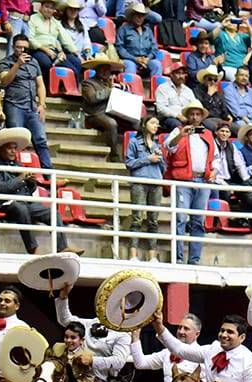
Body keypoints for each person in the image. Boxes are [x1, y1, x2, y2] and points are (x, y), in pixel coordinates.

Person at [0, 127, 83, 254]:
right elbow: (1, 189)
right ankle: (33, 248)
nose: (13, 151)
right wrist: (21, 178)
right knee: (20, 208)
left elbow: (30, 190)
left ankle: (62, 247)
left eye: (15, 148)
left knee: (52, 212)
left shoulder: (18, 165)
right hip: (4, 203)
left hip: (25, 202)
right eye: (9, 148)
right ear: (1, 149)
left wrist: (31, 182)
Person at [165, 100, 215, 265]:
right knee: (180, 218)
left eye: (197, 114)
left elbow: (215, 158)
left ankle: (194, 260)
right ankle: (178, 259)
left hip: (203, 180)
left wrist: (213, 171)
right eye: (192, 114)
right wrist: (182, 135)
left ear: (201, 117)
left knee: (198, 221)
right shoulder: (177, 131)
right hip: (183, 180)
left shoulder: (207, 134)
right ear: (187, 116)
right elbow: (168, 147)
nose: (194, 117)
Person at [55, 282, 131, 382]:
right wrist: (63, 297)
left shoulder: (123, 334)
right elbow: (65, 320)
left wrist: (92, 360)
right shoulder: (89, 323)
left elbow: (118, 361)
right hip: (77, 376)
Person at [0, 34, 52, 168]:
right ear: (13, 47)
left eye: (24, 48)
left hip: (32, 106)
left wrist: (42, 104)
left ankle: (49, 175)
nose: (22, 50)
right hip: (14, 105)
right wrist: (17, 65)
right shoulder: (5, 62)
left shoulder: (34, 62)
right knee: (14, 141)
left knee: (41, 140)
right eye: (18, 47)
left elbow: (40, 85)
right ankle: (14, 170)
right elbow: (4, 81)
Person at [126, 114, 166, 259]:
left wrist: (160, 158)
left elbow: (163, 168)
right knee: (137, 218)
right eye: (153, 123)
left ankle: (152, 256)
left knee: (153, 220)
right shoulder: (134, 143)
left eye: (157, 124)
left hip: (156, 182)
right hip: (139, 182)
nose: (156, 126)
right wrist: (148, 159)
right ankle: (133, 254)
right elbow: (129, 163)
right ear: (144, 125)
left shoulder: (157, 146)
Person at [129, 312, 201, 382]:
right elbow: (140, 363)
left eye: (186, 329)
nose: (181, 332)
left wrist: (159, 325)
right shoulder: (167, 353)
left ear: (197, 334)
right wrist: (135, 336)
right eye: (180, 327)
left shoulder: (201, 355)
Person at [80, 53, 124, 162]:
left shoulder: (110, 83)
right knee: (112, 123)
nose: (105, 72)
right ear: (96, 69)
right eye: (102, 69)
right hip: (95, 114)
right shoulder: (88, 83)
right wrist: (110, 91)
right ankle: (114, 156)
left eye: (107, 69)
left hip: (112, 112)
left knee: (136, 123)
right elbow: (92, 98)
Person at [28, 0, 82, 81]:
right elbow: (30, 38)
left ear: (54, 10)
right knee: (46, 63)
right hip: (37, 50)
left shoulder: (55, 22)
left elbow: (65, 39)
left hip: (53, 51)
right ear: (41, 7)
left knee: (76, 61)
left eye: (51, 8)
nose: (49, 10)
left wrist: (77, 53)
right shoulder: (33, 18)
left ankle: (72, 89)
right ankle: (48, 88)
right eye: (46, 7)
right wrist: (45, 49)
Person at [116, 2, 162, 79]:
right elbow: (120, 48)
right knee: (130, 66)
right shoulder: (123, 29)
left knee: (157, 65)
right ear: (132, 16)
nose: (140, 18)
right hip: (130, 59)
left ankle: (157, 89)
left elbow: (154, 47)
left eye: (142, 16)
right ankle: (130, 89)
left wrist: (148, 58)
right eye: (138, 15)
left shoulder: (148, 30)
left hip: (146, 59)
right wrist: (135, 59)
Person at [156, 62, 196, 131]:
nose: (181, 76)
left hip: (186, 118)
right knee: (178, 126)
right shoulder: (163, 88)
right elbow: (160, 108)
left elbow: (194, 105)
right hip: (168, 118)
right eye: (178, 73)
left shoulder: (188, 90)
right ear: (171, 74)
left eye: (183, 73)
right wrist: (178, 116)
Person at [211, 16, 252, 81]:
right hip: (227, 66)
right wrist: (221, 25)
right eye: (229, 20)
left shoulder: (243, 36)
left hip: (242, 69)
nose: (231, 23)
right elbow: (211, 37)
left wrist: (248, 26)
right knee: (238, 79)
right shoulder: (221, 34)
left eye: (234, 21)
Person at [194, 64, 231, 131]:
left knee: (239, 129)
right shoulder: (197, 91)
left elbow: (224, 108)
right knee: (219, 129)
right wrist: (209, 95)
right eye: (210, 79)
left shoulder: (218, 93)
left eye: (215, 80)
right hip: (206, 119)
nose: (213, 82)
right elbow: (200, 108)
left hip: (220, 120)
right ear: (204, 79)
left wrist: (228, 116)